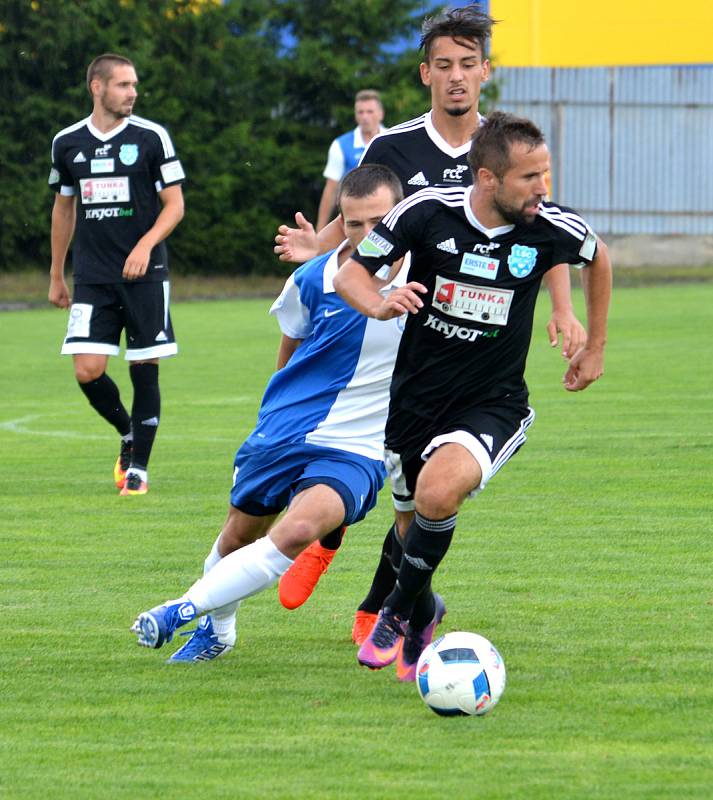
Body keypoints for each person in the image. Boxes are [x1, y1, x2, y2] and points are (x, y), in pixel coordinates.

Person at [273, 4, 587, 645]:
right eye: (444, 65)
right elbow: (362, 221)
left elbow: (544, 232)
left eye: (468, 65)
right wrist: (322, 250)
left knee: (426, 490)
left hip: (470, 341)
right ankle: (328, 536)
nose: (456, 78)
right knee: (377, 459)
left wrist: (563, 306)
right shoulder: (392, 146)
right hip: (392, 327)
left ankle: (382, 606)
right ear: (425, 74)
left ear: (485, 72)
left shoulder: (506, 150)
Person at [331, 111, 612, 681]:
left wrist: (596, 345)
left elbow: (598, 257)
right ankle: (424, 607)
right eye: (529, 178)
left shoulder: (549, 226)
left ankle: (393, 613)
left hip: (494, 401)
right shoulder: (425, 212)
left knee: (438, 491)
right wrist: (380, 300)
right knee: (412, 519)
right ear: (487, 179)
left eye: (546, 173)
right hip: (415, 401)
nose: (543, 189)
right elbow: (350, 276)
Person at [130, 164, 408, 662]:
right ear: (339, 222)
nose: (367, 236)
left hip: (357, 448)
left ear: (401, 216)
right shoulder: (313, 279)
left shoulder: (430, 279)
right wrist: (272, 418)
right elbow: (291, 347)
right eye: (353, 223)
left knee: (299, 529)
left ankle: (182, 608)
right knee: (237, 534)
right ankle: (219, 629)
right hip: (285, 430)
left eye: (379, 223)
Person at [48, 53, 185, 496]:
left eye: (134, 85)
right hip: (92, 277)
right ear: (97, 87)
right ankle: (128, 432)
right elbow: (63, 209)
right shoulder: (67, 143)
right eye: (124, 84)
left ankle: (139, 470)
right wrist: (56, 273)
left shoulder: (150, 137)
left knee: (145, 368)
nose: (133, 92)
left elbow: (175, 204)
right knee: (87, 370)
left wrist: (145, 246)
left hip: (146, 275)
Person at [316, 90, 386, 232]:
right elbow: (331, 189)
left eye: (370, 112)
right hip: (354, 220)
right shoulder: (340, 145)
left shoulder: (394, 140)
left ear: (380, 114)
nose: (365, 117)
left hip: (386, 218)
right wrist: (320, 231)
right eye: (360, 112)